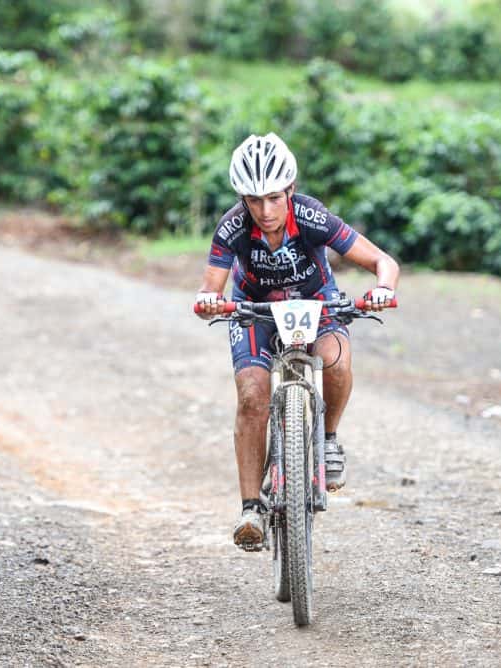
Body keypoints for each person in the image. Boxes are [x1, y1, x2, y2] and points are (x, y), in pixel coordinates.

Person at [194, 133, 400, 551]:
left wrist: (382, 287)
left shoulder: (311, 217)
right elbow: (210, 288)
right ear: (242, 198)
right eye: (253, 200)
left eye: (274, 198)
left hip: (317, 304)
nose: (265, 210)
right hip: (255, 310)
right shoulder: (232, 228)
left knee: (335, 361)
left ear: (290, 189)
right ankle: (251, 509)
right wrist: (208, 302)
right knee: (252, 395)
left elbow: (383, 261)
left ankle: (327, 439)